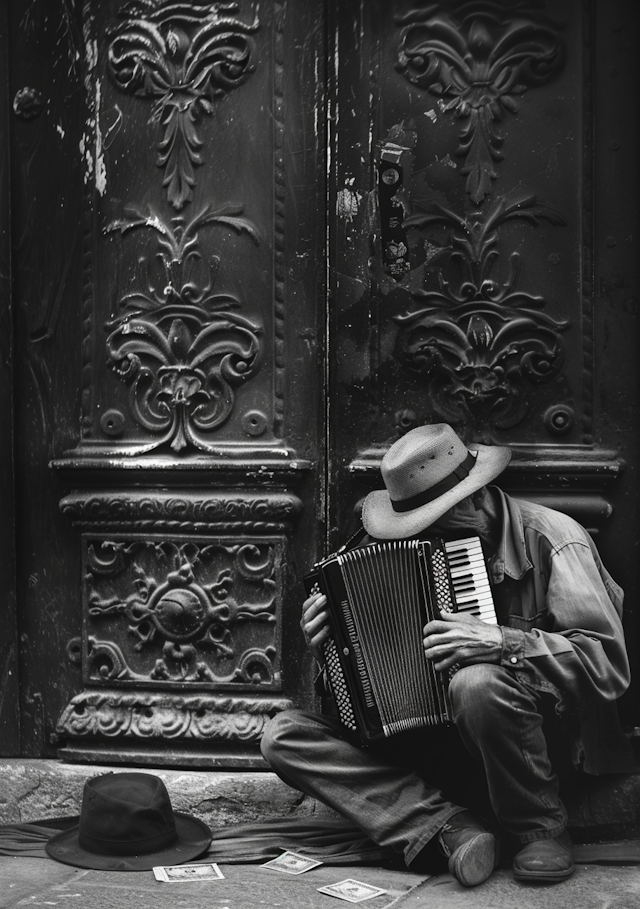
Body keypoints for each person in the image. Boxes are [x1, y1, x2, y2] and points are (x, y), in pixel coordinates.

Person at [261, 423, 635, 887]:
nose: (424, 539)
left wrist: (503, 644)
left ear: (473, 498)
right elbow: (376, 695)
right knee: (282, 735)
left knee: (475, 683)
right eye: (417, 527)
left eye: (436, 523)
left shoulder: (555, 539)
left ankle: (539, 828)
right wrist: (332, 652)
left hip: (531, 749)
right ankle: (449, 829)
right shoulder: (396, 555)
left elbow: (607, 667)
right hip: (431, 749)